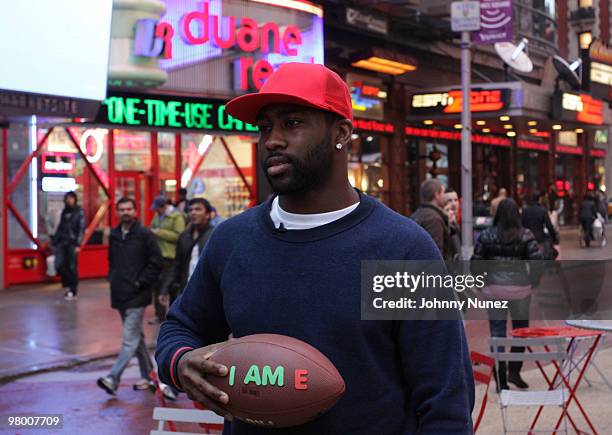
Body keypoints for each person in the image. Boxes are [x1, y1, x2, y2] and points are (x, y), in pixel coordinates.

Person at [156, 62, 474, 434]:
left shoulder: (401, 248)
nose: (272, 140)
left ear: (341, 132)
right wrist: (180, 363)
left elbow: (445, 400)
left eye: (291, 123)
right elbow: (180, 327)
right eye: (265, 128)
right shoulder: (232, 240)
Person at [472, 198, 541, 391]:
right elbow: (537, 262)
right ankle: (515, 371)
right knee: (521, 332)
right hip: (520, 291)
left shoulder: (486, 235)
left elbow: (476, 263)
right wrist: (532, 282)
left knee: (497, 333)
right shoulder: (525, 235)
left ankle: (500, 378)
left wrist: (483, 283)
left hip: (494, 291)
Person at [97, 198, 162, 396]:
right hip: (119, 293)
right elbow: (112, 261)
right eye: (122, 209)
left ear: (135, 211)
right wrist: (112, 278)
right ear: (117, 212)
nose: (126, 212)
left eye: (129, 208)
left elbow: (156, 262)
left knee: (129, 340)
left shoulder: (144, 234)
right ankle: (150, 375)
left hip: (137, 295)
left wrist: (140, 282)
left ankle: (112, 378)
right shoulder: (115, 234)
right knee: (137, 338)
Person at [150, 195, 186, 323]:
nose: (156, 211)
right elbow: (152, 226)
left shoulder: (176, 217)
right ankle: (158, 315)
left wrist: (160, 232)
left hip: (171, 256)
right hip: (158, 256)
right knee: (157, 286)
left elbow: (180, 235)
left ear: (164, 206)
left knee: (170, 287)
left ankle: (173, 316)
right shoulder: (157, 216)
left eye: (157, 209)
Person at [172, 197, 214, 300]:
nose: (193, 213)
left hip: (208, 293)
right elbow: (177, 264)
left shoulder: (215, 235)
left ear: (208, 214)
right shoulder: (184, 236)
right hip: (185, 291)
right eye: (190, 210)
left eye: (198, 209)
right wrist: (165, 289)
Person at [52, 191, 86, 300]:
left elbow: (81, 229)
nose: (69, 200)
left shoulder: (79, 212)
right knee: (59, 265)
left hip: (72, 243)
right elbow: (60, 227)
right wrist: (55, 241)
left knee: (72, 266)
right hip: (62, 242)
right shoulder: (64, 212)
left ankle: (72, 289)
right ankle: (67, 284)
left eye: (71, 198)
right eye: (67, 198)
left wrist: (78, 244)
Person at [410, 178, 452, 260]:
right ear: (436, 195)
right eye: (443, 193)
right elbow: (436, 252)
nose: (445, 196)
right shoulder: (434, 219)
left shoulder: (416, 214)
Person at [521, 191, 558, 258]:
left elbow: (522, 224)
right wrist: (554, 238)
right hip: (540, 238)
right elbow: (549, 225)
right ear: (539, 199)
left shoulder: (525, 210)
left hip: (527, 238)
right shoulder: (542, 210)